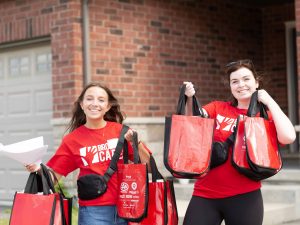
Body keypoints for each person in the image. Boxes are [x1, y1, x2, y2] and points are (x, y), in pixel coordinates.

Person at [183, 59, 296, 225]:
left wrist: (270, 102)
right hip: (205, 194)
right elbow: (193, 123)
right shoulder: (217, 108)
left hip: (245, 197)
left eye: (246, 79)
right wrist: (189, 99)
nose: (240, 85)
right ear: (230, 86)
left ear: (256, 82)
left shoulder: (264, 116)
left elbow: (289, 137)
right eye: (234, 81)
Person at [25, 82, 150, 225]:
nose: (95, 103)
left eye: (101, 100)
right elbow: (54, 177)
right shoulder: (72, 140)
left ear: (108, 106)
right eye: (89, 99)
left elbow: (149, 167)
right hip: (93, 212)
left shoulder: (122, 131)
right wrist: (39, 170)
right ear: (81, 104)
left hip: (129, 207)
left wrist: (137, 143)